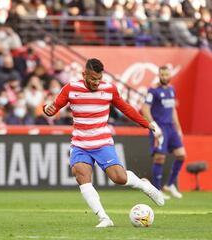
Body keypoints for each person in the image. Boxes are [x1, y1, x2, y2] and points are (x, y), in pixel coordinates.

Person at [43, 58, 164, 228]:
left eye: (99, 78)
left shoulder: (109, 89)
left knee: (119, 178)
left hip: (102, 143)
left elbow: (126, 108)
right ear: (84, 74)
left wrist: (147, 123)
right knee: (81, 176)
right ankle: (104, 218)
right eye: (92, 78)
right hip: (80, 144)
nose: (96, 82)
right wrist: (47, 109)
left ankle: (144, 185)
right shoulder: (71, 89)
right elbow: (53, 108)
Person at [142, 65, 186, 199]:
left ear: (170, 75)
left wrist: (179, 129)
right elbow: (145, 109)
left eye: (167, 75)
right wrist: (153, 125)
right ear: (159, 75)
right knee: (160, 157)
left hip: (171, 128)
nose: (164, 77)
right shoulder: (153, 90)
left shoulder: (172, 89)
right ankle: (157, 189)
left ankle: (171, 184)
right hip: (159, 126)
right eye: (162, 74)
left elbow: (173, 110)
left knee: (181, 155)